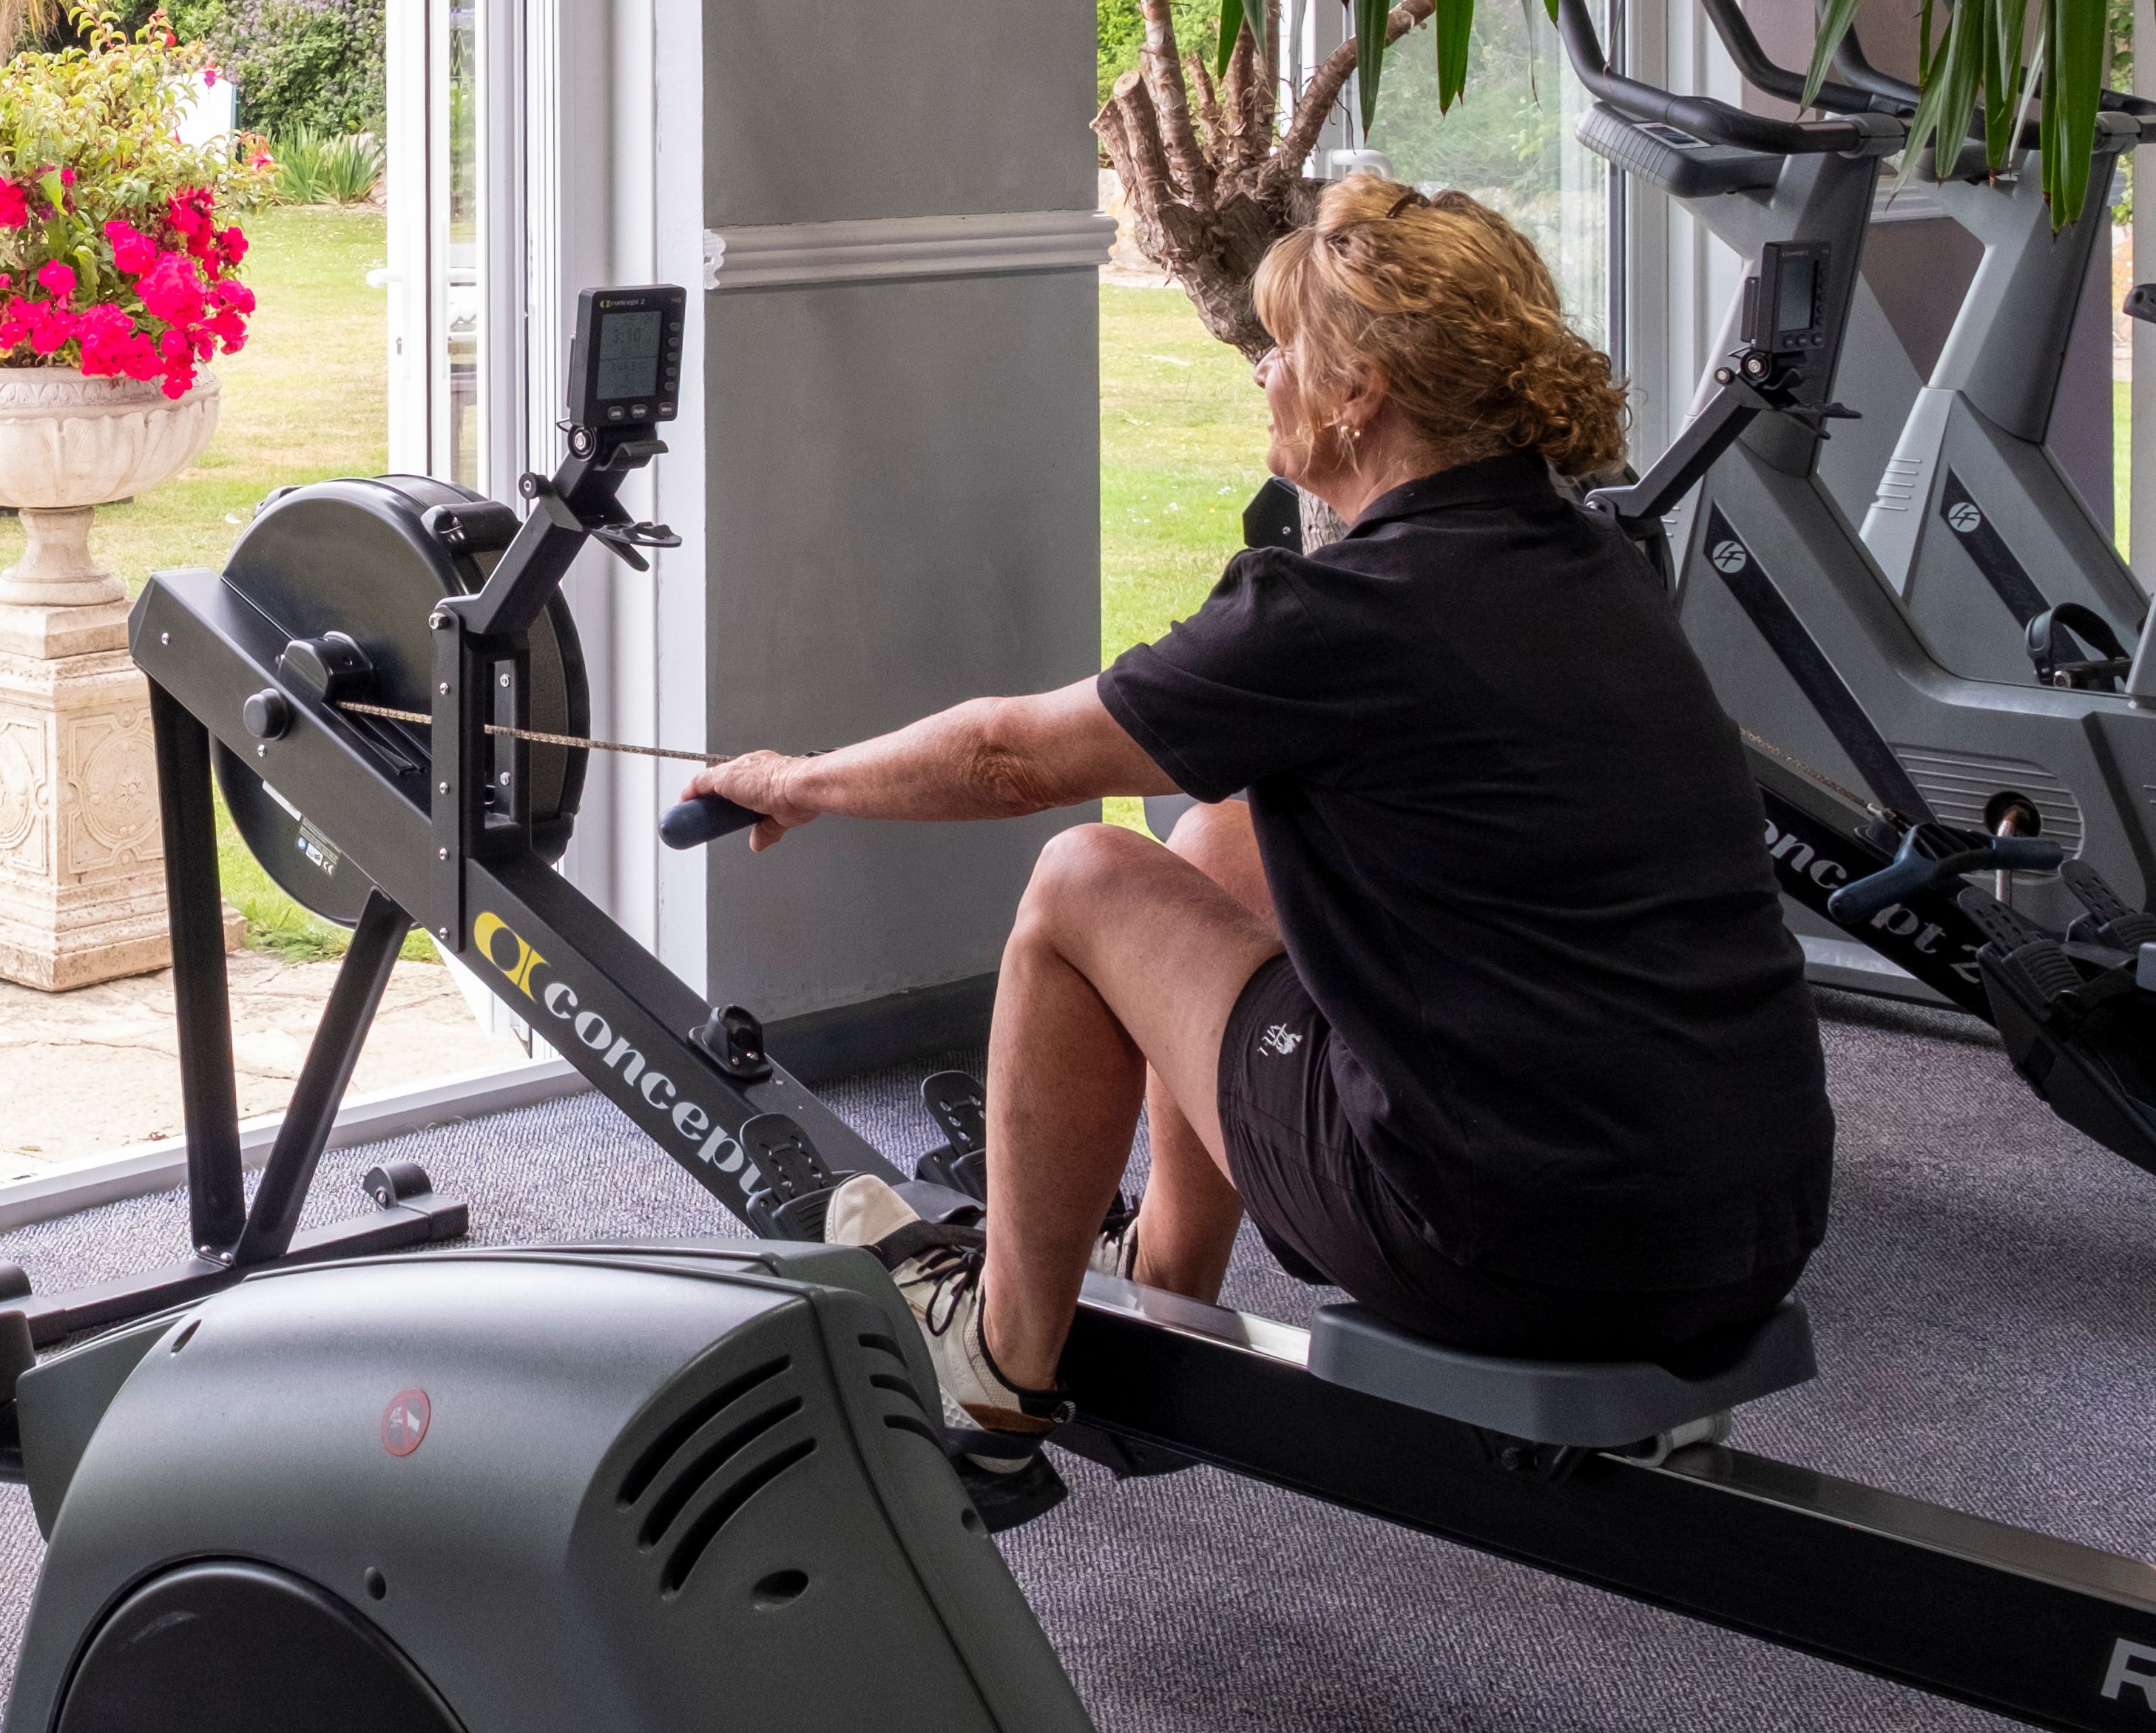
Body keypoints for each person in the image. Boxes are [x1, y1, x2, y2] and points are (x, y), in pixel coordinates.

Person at [683, 171, 1831, 1489]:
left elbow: (1012, 760)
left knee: (1081, 878)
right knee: (1223, 830)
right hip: (1746, 1220)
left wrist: (801, 779)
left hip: (1500, 1242)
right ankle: (1158, 1270)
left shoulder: (1347, 614)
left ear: (1361, 395)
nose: (1265, 376)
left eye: (1285, 353)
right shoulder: (1596, 565)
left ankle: (997, 1362)